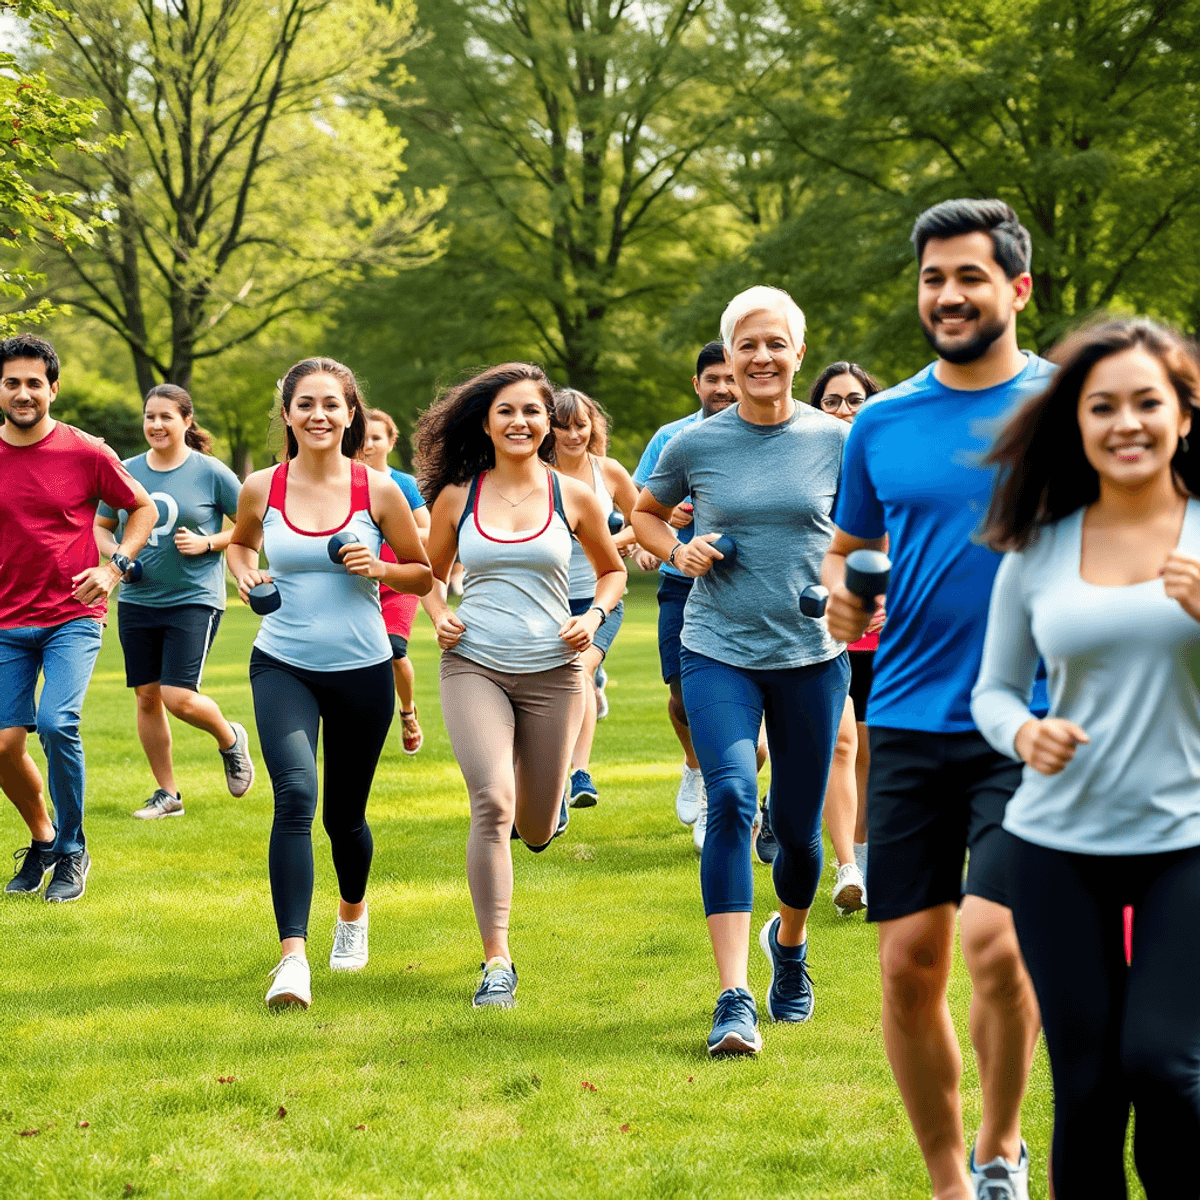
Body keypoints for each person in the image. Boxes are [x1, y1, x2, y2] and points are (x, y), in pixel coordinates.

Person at [821, 198, 1053, 1199]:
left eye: (969, 276)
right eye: (933, 278)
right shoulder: (880, 421)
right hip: (908, 716)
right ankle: (951, 1180)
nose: (948, 295)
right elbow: (848, 549)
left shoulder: (1070, 406)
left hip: (1036, 718)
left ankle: (1001, 1148)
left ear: (1017, 288)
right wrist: (842, 598)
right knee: (909, 964)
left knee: (999, 944)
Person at [972, 317, 1200, 1199]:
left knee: (1164, 1066)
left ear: (1183, 414)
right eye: (1102, 406)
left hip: (1187, 838)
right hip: (1057, 843)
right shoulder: (1039, 546)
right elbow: (994, 692)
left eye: (1147, 402)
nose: (1126, 423)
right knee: (1090, 1089)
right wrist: (1023, 734)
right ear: (1076, 423)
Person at [633, 287, 850, 1055]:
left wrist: (856, 588)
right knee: (728, 797)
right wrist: (677, 549)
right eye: (746, 345)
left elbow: (869, 532)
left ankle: (788, 946)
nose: (761, 358)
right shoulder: (695, 445)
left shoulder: (837, 440)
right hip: (716, 647)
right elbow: (644, 513)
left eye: (775, 343)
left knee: (798, 832)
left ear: (798, 352)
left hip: (811, 656)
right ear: (728, 356)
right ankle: (733, 996)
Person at [415, 363, 625, 1009]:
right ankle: (497, 962)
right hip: (473, 663)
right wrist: (439, 616)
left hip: (554, 672)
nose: (519, 422)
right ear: (485, 422)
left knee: (533, 827)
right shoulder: (458, 496)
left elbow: (613, 572)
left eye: (532, 411)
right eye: (505, 411)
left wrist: (593, 617)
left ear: (547, 422)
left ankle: (546, 805)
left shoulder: (574, 496)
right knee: (491, 804)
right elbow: (429, 575)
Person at [226, 358, 432, 1009]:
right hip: (281, 663)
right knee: (295, 796)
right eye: (305, 404)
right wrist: (245, 573)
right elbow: (241, 545)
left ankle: (352, 913)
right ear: (288, 414)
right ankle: (292, 960)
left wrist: (380, 567)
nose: (318, 415)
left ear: (350, 414)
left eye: (331, 404)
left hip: (363, 670)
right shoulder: (261, 486)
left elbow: (424, 573)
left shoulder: (380, 490)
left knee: (345, 817)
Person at [0, 334, 157, 902]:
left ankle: (72, 850)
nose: (23, 393)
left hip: (73, 612)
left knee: (56, 722)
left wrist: (114, 568)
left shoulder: (85, 451)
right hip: (5, 621)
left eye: (33, 383)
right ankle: (43, 838)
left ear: (53, 389)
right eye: (12, 383)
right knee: (2, 744)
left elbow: (143, 507)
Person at [94, 384, 254, 818]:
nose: (157, 424)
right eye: (150, 416)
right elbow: (101, 527)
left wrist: (208, 543)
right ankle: (168, 795)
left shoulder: (211, 472)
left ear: (187, 420)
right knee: (146, 696)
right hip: (138, 599)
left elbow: (251, 525)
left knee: (177, 696)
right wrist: (118, 556)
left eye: (167, 416)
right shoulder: (125, 471)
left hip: (194, 598)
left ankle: (230, 737)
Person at [632, 342, 766, 852]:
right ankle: (695, 764)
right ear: (697, 384)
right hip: (682, 582)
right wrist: (663, 536)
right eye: (713, 379)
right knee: (683, 698)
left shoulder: (766, 434)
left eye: (730, 378)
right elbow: (641, 507)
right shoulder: (674, 438)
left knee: (750, 729)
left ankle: (719, 792)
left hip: (748, 584)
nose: (723, 388)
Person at [806, 362, 884, 913]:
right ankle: (845, 867)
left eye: (854, 399)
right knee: (839, 745)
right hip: (820, 632)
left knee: (869, 752)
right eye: (831, 401)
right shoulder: (804, 468)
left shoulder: (888, 464)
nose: (843, 411)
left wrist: (891, 603)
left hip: (882, 637)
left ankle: (860, 853)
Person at [551, 387, 638, 806]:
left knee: (578, 671)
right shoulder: (534, 472)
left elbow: (645, 521)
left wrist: (607, 542)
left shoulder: (609, 473)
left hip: (598, 598)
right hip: (547, 601)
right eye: (563, 426)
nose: (573, 435)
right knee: (553, 686)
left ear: (593, 427)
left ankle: (580, 774)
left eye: (580, 426)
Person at [359, 406, 431, 755]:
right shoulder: (346, 481)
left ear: (391, 442)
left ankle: (407, 712)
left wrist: (392, 532)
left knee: (395, 650)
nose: (368, 445)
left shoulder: (403, 484)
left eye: (376, 438)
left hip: (399, 581)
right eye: (362, 438)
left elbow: (428, 530)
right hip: (358, 583)